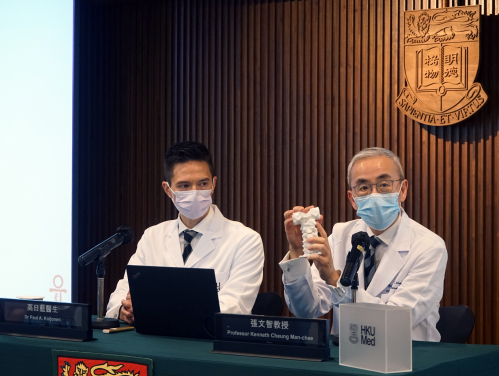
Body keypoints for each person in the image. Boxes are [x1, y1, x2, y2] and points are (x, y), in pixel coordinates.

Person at [280, 147, 447, 341]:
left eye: (384, 184)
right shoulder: (341, 236)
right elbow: (307, 309)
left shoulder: (428, 246)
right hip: (347, 357)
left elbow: (397, 321)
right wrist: (296, 252)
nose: (374, 194)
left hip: (408, 359)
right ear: (353, 199)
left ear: (403, 190)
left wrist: (336, 281)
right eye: (364, 188)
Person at [106, 141, 265, 324]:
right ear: (168, 190)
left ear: (213, 184)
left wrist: (157, 308)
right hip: (155, 343)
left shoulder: (245, 240)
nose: (195, 192)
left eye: (203, 183)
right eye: (184, 186)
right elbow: (121, 293)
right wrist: (123, 310)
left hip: (209, 346)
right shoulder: (153, 236)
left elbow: (235, 307)